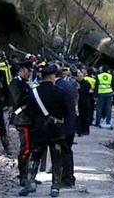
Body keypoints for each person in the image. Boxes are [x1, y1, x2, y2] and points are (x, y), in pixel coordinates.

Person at [19, 63, 69, 197]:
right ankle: (55, 187)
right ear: (52, 76)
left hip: (39, 130)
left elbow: (28, 110)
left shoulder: (34, 92)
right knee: (56, 158)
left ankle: (31, 182)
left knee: (35, 156)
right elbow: (67, 112)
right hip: (56, 131)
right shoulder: (61, 92)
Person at [8, 61, 35, 187]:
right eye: (29, 71)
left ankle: (28, 174)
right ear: (23, 70)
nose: (30, 74)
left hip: (29, 119)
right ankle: (23, 176)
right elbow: (18, 101)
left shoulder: (24, 83)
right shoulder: (15, 83)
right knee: (25, 148)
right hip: (22, 119)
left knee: (30, 149)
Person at [55, 64, 76, 188]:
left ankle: (67, 179)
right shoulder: (66, 84)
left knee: (64, 151)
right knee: (67, 151)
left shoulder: (59, 87)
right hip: (70, 123)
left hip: (64, 124)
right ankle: (68, 177)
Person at [76, 69, 91, 135]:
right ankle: (79, 129)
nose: (79, 77)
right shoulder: (76, 83)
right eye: (78, 76)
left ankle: (85, 130)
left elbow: (83, 91)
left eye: (80, 76)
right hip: (78, 102)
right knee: (78, 117)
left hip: (84, 102)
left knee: (85, 117)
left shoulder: (86, 83)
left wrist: (79, 88)